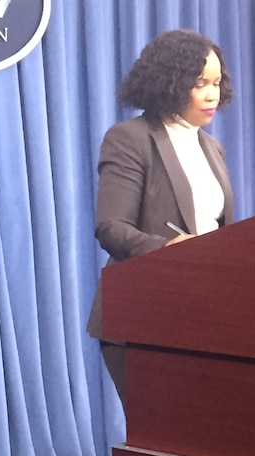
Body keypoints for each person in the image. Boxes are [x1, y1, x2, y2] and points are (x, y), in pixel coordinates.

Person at [86, 29, 235, 411]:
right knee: (162, 438)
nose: (212, 94)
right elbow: (111, 227)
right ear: (169, 81)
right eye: (200, 83)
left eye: (216, 82)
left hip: (207, 314)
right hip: (146, 314)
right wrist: (169, 248)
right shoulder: (129, 139)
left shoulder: (212, 146)